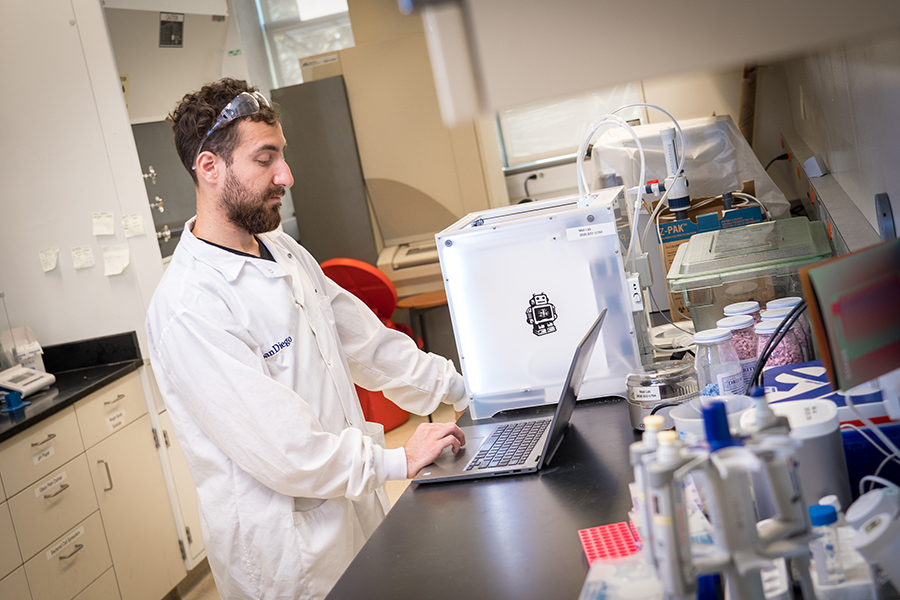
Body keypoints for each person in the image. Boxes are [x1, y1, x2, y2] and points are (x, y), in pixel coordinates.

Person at [145, 78, 468, 600]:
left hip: (351, 513)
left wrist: (464, 389)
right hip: (287, 557)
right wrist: (396, 460)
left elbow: (369, 345)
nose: (286, 176)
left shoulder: (282, 249)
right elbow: (284, 450)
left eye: (283, 156)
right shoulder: (190, 306)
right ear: (210, 168)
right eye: (265, 159)